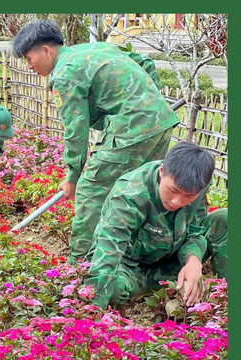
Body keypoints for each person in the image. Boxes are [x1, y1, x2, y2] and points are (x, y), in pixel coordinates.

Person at [13, 20, 180, 259]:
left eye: (29, 58)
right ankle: (141, 256)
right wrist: (149, 101)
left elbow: (75, 129)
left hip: (131, 128)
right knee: (142, 188)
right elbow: (145, 62)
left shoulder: (64, 74)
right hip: (160, 121)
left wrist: (73, 176)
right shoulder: (93, 49)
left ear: (46, 50)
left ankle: (80, 261)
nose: (29, 66)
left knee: (91, 189)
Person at [89, 142, 228, 308]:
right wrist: (93, 311)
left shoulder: (198, 185)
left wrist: (193, 261)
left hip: (171, 261)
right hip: (130, 268)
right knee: (112, 287)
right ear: (162, 171)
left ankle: (226, 301)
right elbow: (108, 252)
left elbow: (195, 231)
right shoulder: (130, 195)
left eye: (188, 196)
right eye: (173, 190)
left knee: (226, 219)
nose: (177, 201)